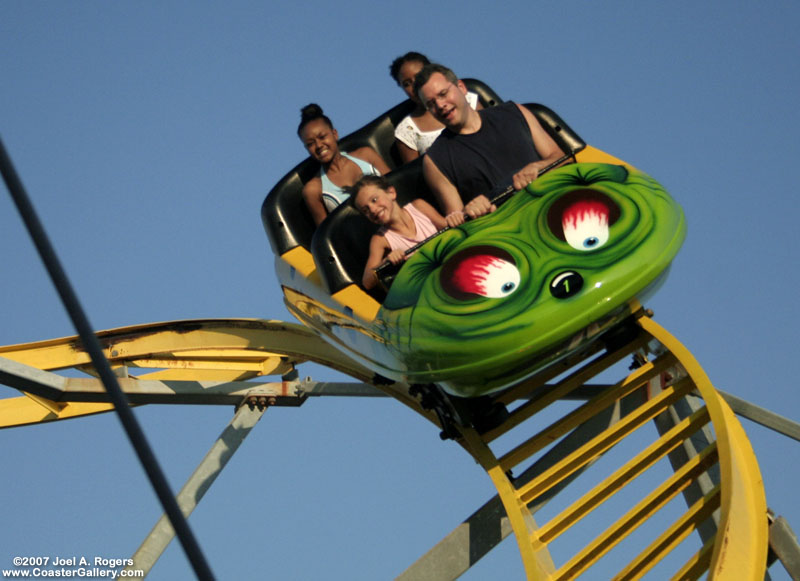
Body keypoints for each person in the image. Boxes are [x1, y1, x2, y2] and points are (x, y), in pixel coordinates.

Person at [413, 64, 567, 227]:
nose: (440, 105)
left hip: (555, 202)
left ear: (461, 87)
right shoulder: (435, 160)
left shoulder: (514, 112)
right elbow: (458, 221)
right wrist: (471, 211)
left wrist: (539, 167)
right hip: (507, 228)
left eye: (443, 94)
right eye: (431, 104)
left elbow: (561, 158)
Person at [297, 104, 391, 225]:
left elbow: (396, 188)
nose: (319, 145)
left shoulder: (366, 155)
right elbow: (327, 235)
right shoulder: (313, 190)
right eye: (310, 144)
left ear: (335, 134)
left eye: (322, 137)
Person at [349, 175, 446, 290]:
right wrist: (386, 262)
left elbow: (449, 227)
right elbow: (367, 281)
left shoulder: (419, 207)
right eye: (366, 210)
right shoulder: (380, 239)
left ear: (391, 193)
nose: (373, 210)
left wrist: (456, 218)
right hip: (426, 286)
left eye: (374, 200)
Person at [389, 52, 481, 163]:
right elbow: (414, 175)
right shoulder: (406, 131)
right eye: (407, 83)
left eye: (419, 76)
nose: (414, 86)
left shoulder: (467, 100)